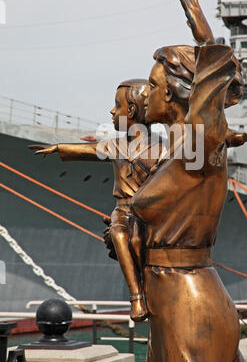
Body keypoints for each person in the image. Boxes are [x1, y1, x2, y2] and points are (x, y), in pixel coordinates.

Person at [129, 0, 247, 362]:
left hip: (191, 307)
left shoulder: (200, 145)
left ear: (175, 92)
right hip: (167, 307)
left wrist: (203, 32)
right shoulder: (174, 153)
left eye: (151, 85)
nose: (142, 95)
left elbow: (213, 81)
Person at [29, 79, 165, 322]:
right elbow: (90, 151)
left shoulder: (162, 149)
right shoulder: (115, 145)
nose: (112, 112)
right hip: (122, 209)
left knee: (136, 238)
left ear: (132, 111)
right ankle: (136, 297)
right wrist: (59, 147)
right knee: (120, 234)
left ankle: (146, 287)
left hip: (149, 212)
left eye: (117, 106)